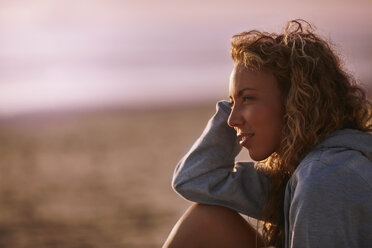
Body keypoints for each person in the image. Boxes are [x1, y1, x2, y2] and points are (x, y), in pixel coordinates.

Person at [163, 19, 372, 248]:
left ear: (296, 103)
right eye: (231, 103)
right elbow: (195, 179)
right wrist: (235, 103)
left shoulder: (327, 177)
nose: (232, 120)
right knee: (207, 219)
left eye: (248, 98)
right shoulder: (294, 171)